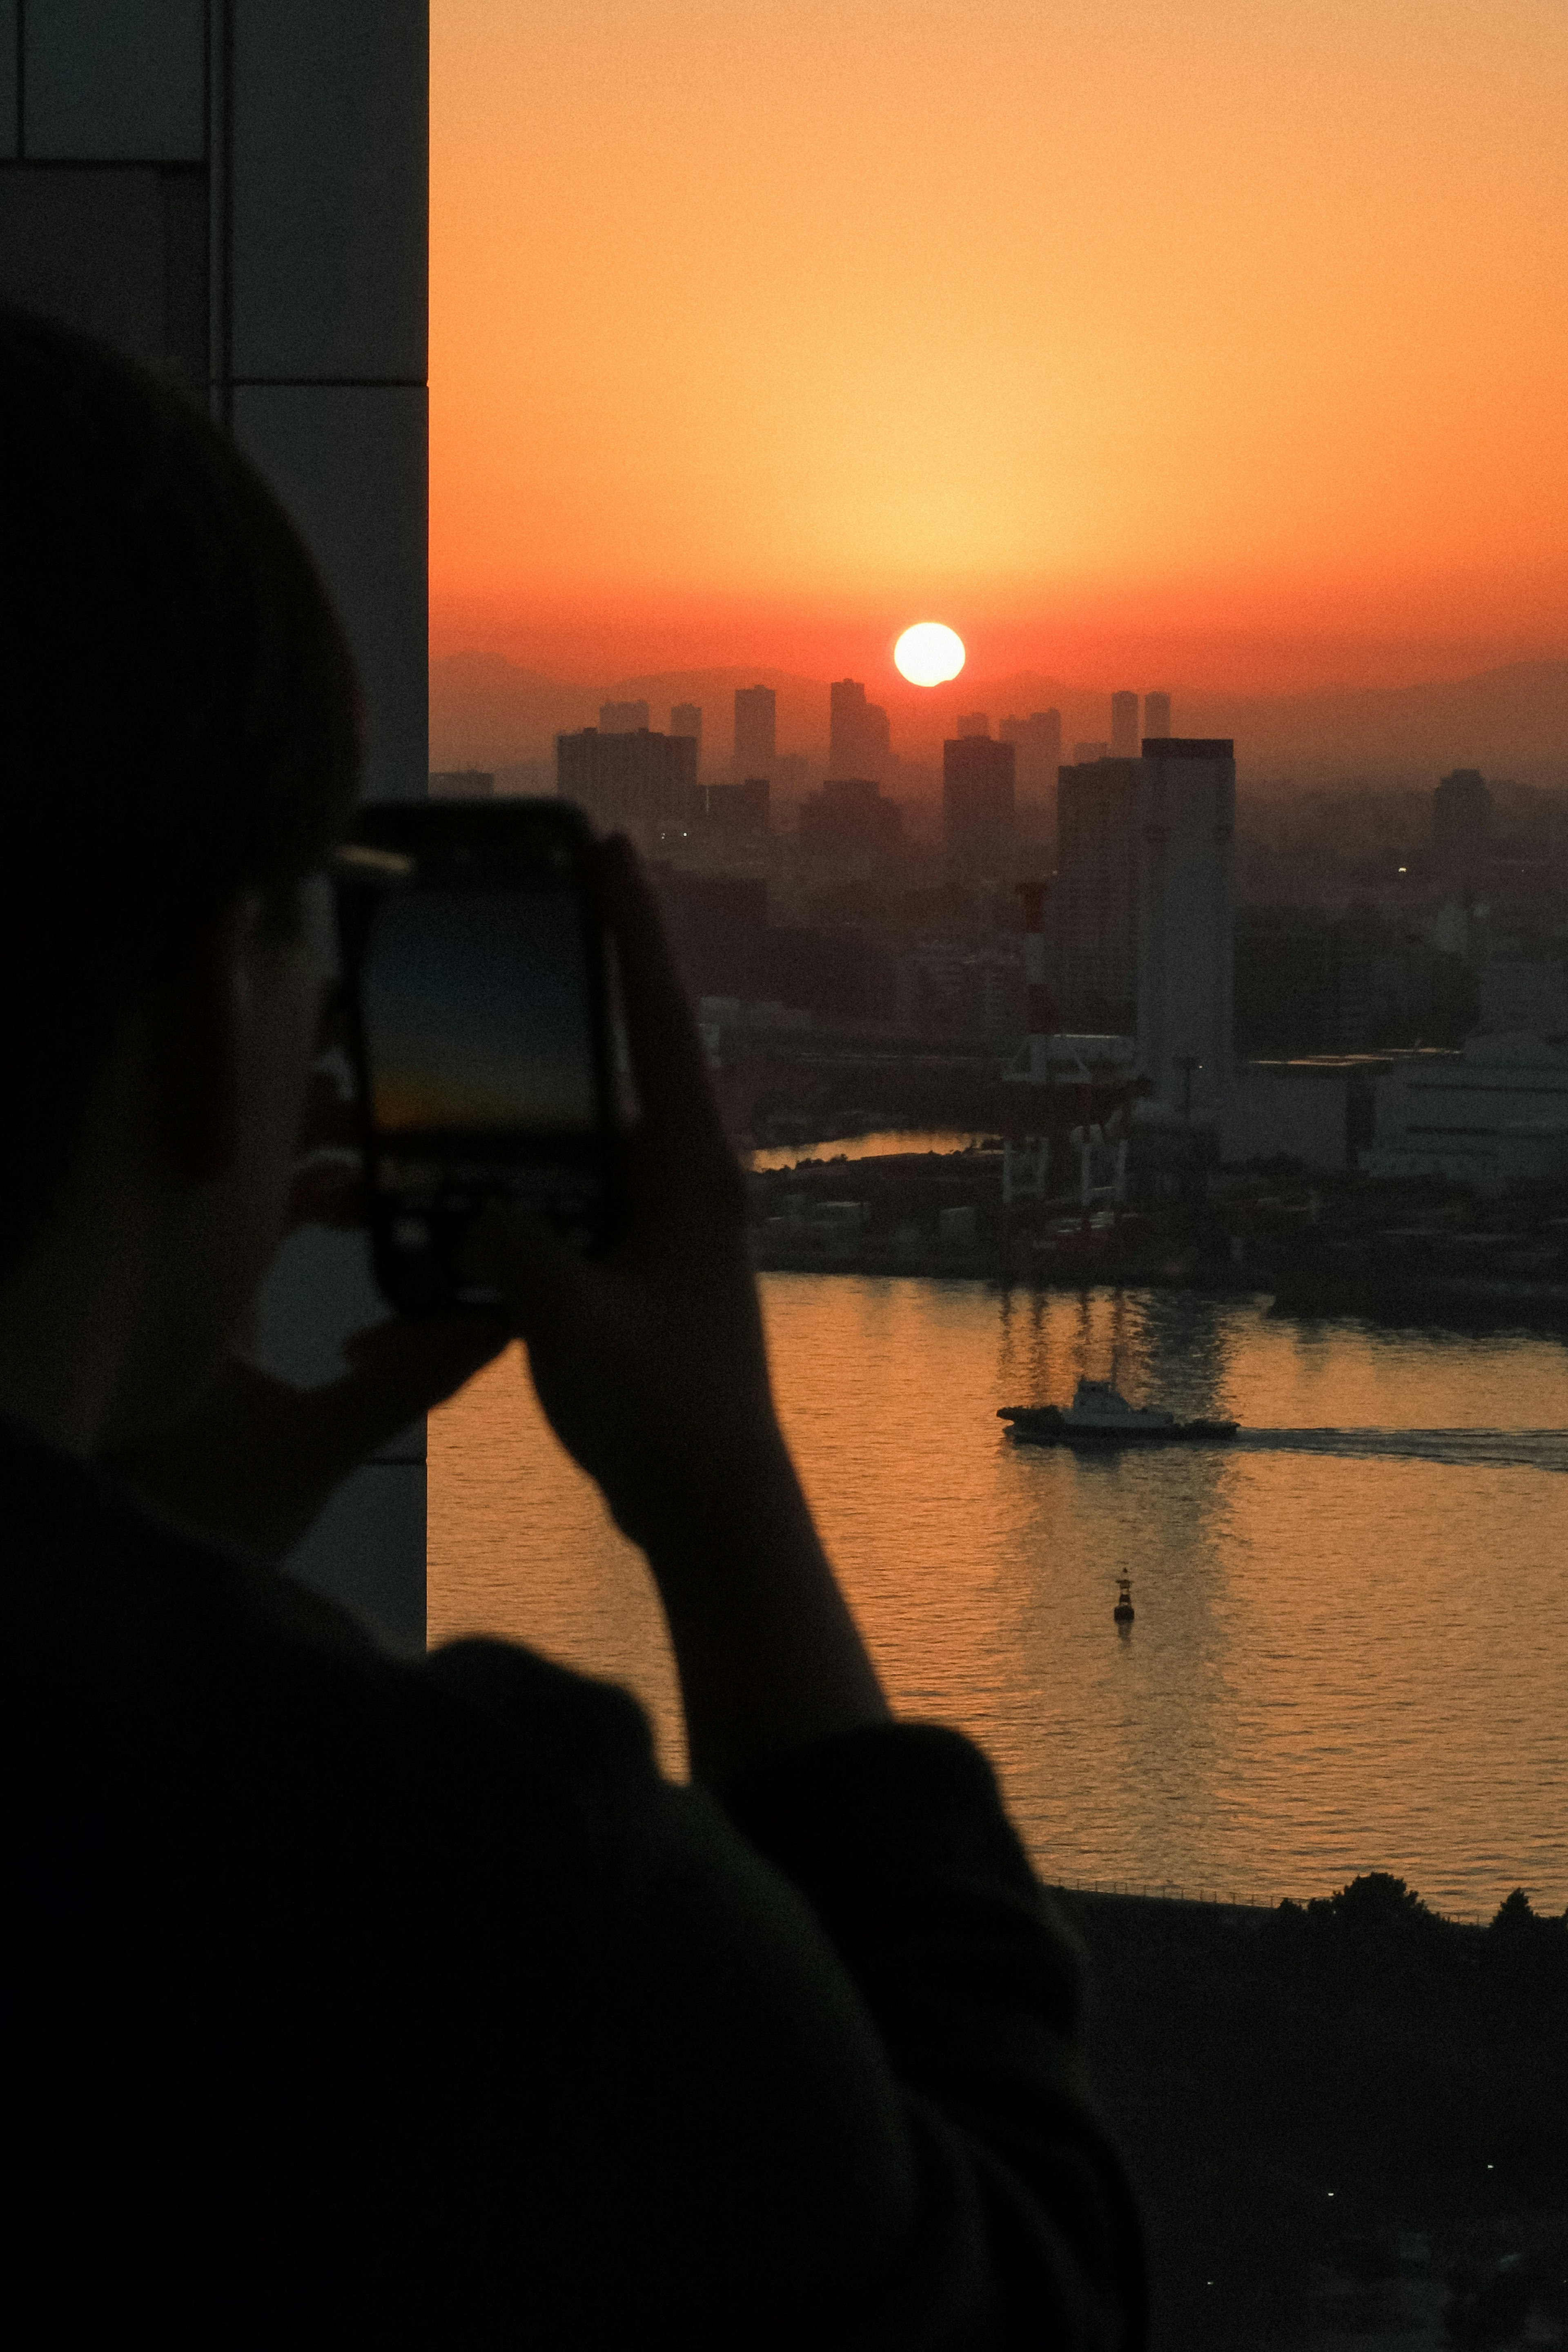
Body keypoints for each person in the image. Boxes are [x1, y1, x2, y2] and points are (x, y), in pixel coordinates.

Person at [0, 307, 1146, 2345]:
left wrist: (136, 1557)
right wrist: (725, 1500)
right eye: (305, 945)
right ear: (202, 1022)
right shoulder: (455, 1894)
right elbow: (1019, 2288)